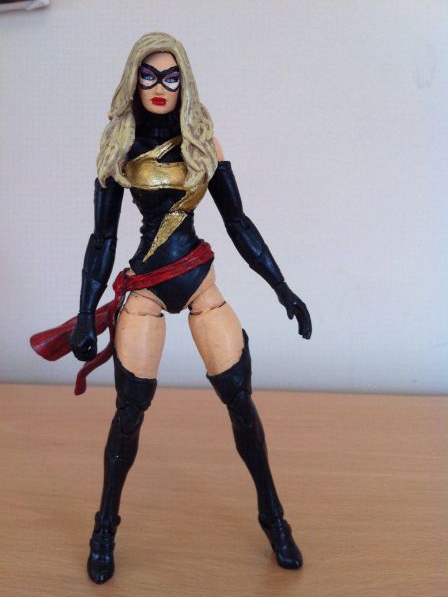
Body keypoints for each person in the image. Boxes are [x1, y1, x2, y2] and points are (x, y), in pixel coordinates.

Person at [37, 32, 312, 584]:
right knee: (129, 412)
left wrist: (283, 288)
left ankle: (274, 519)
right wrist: (87, 310)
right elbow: (102, 238)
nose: (159, 87)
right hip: (146, 289)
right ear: (133, 81)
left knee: (240, 402)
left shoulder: (204, 143)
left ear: (184, 82)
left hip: (200, 283)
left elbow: (238, 222)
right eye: (148, 76)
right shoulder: (120, 145)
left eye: (170, 77)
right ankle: (105, 527)